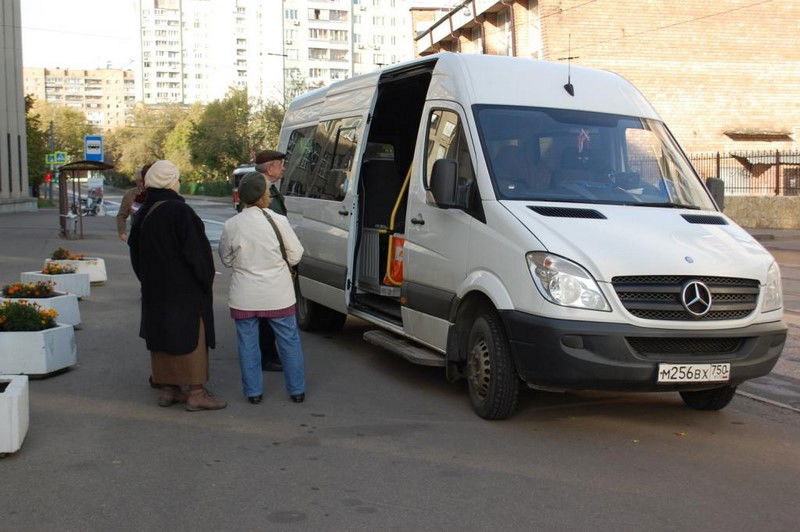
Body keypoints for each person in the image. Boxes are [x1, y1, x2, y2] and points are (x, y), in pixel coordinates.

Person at [128, 160, 226, 411]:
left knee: (161, 338)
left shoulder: (144, 212)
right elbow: (198, 255)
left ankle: (168, 390)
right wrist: (205, 281)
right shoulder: (180, 212)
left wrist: (148, 280)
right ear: (171, 181)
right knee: (191, 338)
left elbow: (134, 252)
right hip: (185, 292)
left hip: (154, 290)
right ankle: (196, 392)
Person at [218, 171, 306, 404]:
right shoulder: (279, 220)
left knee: (248, 343)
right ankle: (297, 391)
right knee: (289, 340)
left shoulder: (231, 225)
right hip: (278, 294)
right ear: (265, 194)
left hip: (244, 295)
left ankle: (253, 393)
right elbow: (296, 254)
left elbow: (226, 260)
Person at [254, 149, 288, 372]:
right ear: (270, 168)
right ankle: (266, 356)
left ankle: (268, 354)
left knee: (268, 313)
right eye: (280, 164)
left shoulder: (269, 189)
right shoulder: (260, 191)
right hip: (267, 261)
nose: (283, 168)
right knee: (267, 313)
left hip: (270, 260)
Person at [117, 163, 151, 242]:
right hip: (136, 233)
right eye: (137, 181)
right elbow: (121, 215)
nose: (140, 184)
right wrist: (122, 232)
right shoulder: (129, 194)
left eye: (142, 181)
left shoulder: (155, 193)